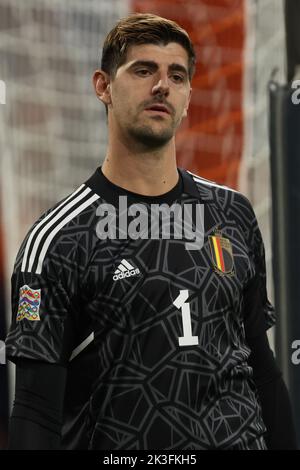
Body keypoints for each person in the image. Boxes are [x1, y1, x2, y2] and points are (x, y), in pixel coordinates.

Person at [5, 13, 297, 450]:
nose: (162, 85)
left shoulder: (232, 213)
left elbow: (262, 366)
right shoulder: (58, 240)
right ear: (103, 85)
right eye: (144, 70)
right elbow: (35, 408)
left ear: (188, 95)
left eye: (176, 75)